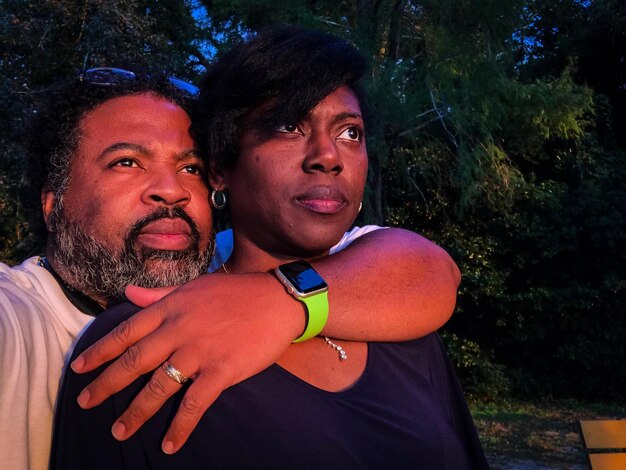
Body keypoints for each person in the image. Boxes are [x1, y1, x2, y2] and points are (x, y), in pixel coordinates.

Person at [51, 27, 487, 469]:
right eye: (288, 126)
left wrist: (285, 299)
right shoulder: (146, 341)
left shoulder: (401, 320)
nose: (328, 156)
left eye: (350, 132)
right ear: (220, 168)